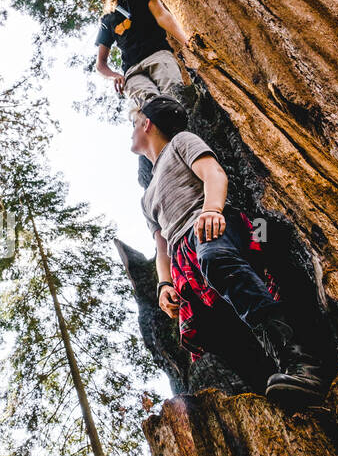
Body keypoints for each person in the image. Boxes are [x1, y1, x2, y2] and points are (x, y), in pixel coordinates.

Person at [130, 95, 327, 408]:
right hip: (182, 258)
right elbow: (161, 244)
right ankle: (276, 391)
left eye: (134, 123)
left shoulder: (182, 141)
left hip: (212, 228)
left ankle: (302, 363)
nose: (132, 130)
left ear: (147, 124)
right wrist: (164, 283)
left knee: (218, 261)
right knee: (209, 328)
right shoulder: (146, 197)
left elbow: (213, 173)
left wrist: (211, 210)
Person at [92, 0, 189, 106]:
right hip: (132, 73)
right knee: (151, 111)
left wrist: (187, 42)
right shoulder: (107, 18)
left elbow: (162, 15)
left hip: (158, 56)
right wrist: (114, 76)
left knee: (175, 100)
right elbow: (100, 63)